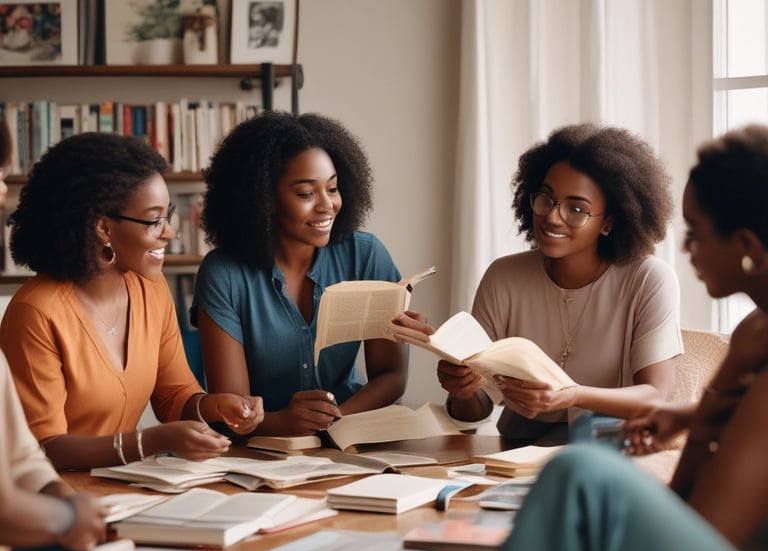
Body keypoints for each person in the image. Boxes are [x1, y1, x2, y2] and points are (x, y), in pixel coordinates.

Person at [480, 124, 768, 551]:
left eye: (695, 231)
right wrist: (696, 413)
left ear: (749, 249)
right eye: (547, 200)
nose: (685, 246)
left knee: (580, 472)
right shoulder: (756, 331)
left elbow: (707, 530)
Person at [392, 123, 682, 444]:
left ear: (610, 222)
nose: (553, 217)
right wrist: (463, 388)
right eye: (546, 199)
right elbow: (474, 412)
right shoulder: (503, 277)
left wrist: (572, 396)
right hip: (514, 450)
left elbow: (655, 396)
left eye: (576, 209)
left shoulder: (648, 279)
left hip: (608, 450)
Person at [0, 132, 264, 471]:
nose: (168, 232)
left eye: (167, 215)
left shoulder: (150, 290)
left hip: (129, 487)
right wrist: (154, 440)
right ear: (102, 228)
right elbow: (45, 449)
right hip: (62, 500)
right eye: (154, 220)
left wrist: (219, 407)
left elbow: (174, 397)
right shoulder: (36, 313)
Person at [192, 111, 408, 437]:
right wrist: (281, 422)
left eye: (332, 189)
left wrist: (334, 420)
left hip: (349, 439)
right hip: (260, 450)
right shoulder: (224, 273)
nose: (327, 205)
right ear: (264, 199)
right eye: (306, 194)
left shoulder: (365, 256)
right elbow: (233, 406)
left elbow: (391, 375)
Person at [0, 117, 106, 551]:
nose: (4, 193)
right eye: (0, 176)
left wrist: (67, 500)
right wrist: (68, 517)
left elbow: (21, 454)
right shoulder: (35, 310)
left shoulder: (151, 292)